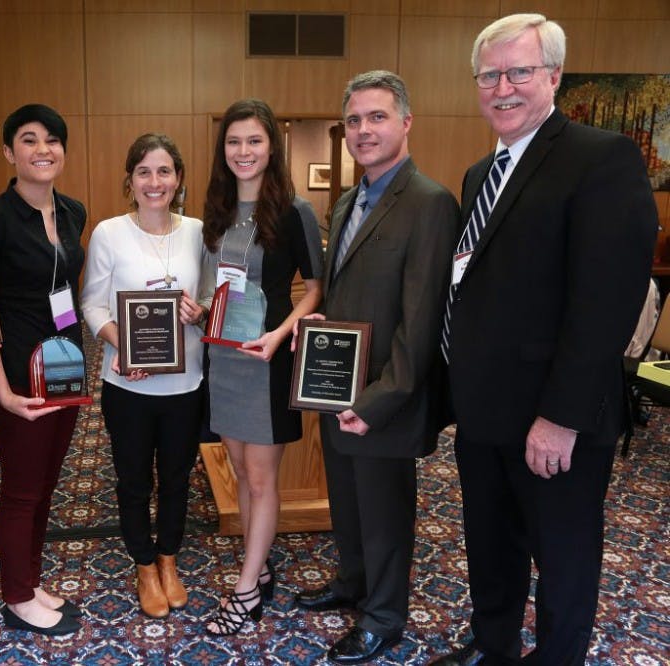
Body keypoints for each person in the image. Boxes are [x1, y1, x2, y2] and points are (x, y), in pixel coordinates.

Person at [431, 14, 657, 665]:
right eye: (489, 75)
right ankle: (494, 645)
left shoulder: (600, 157)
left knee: (562, 558)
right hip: (485, 413)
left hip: (553, 420)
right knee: (491, 547)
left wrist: (559, 418)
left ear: (553, 75)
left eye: (519, 71)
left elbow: (606, 303)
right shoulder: (480, 174)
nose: (502, 87)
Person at [291, 71, 460, 663]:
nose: (364, 130)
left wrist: (377, 403)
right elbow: (346, 297)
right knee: (347, 502)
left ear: (406, 122)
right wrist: (319, 327)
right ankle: (353, 584)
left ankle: (384, 616)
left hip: (384, 401)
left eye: (377, 117)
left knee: (385, 515)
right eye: (355, 120)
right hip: (337, 390)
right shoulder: (345, 202)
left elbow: (421, 323)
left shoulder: (431, 203)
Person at [0, 104, 86, 637]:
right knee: (20, 488)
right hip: (16, 370)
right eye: (29, 140)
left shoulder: (73, 211)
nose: (43, 150)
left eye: (52, 139)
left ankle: (29, 580)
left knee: (47, 480)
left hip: (66, 363)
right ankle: (16, 595)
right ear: (10, 152)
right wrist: (2, 390)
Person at [202, 99, 324, 635]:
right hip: (223, 356)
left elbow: (317, 287)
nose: (243, 151)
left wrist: (282, 331)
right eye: (234, 141)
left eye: (253, 140)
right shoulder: (218, 208)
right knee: (238, 472)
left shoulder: (293, 210)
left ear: (271, 146)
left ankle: (248, 588)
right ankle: (262, 562)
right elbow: (213, 280)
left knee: (259, 476)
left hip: (268, 355)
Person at [80, 133, 210, 619]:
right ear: (130, 180)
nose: (155, 182)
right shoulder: (109, 233)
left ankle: (168, 559)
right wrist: (119, 341)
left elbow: (216, 298)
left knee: (177, 477)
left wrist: (200, 313)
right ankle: (142, 564)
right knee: (133, 480)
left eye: (164, 172)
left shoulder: (199, 232)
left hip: (185, 382)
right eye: (144, 172)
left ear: (178, 180)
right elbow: (92, 303)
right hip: (127, 384)